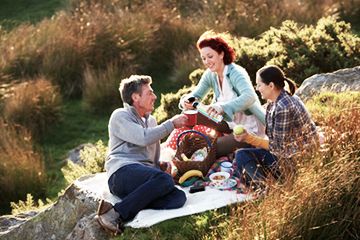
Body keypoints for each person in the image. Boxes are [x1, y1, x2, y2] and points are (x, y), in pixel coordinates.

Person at [96, 75, 188, 235]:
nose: (155, 97)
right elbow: (143, 138)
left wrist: (159, 165)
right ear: (135, 97)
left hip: (139, 178)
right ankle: (113, 214)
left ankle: (128, 205)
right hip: (121, 174)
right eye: (150, 93)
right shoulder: (120, 116)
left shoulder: (151, 121)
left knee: (178, 197)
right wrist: (171, 123)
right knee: (164, 180)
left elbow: (150, 156)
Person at [180, 30, 266, 157]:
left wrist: (222, 107)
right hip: (227, 123)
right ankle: (178, 147)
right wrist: (186, 101)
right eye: (203, 58)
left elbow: (250, 97)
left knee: (212, 148)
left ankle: (198, 152)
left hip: (247, 129)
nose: (207, 61)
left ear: (221, 54)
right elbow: (196, 95)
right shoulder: (211, 74)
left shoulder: (236, 72)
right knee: (187, 115)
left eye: (210, 56)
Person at [234, 65, 319, 191]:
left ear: (271, 85)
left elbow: (278, 147)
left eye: (259, 85)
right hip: (287, 153)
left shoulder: (283, 107)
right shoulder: (277, 100)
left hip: (294, 162)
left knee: (242, 156)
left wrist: (249, 138)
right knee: (243, 153)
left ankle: (264, 190)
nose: (257, 89)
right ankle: (263, 182)